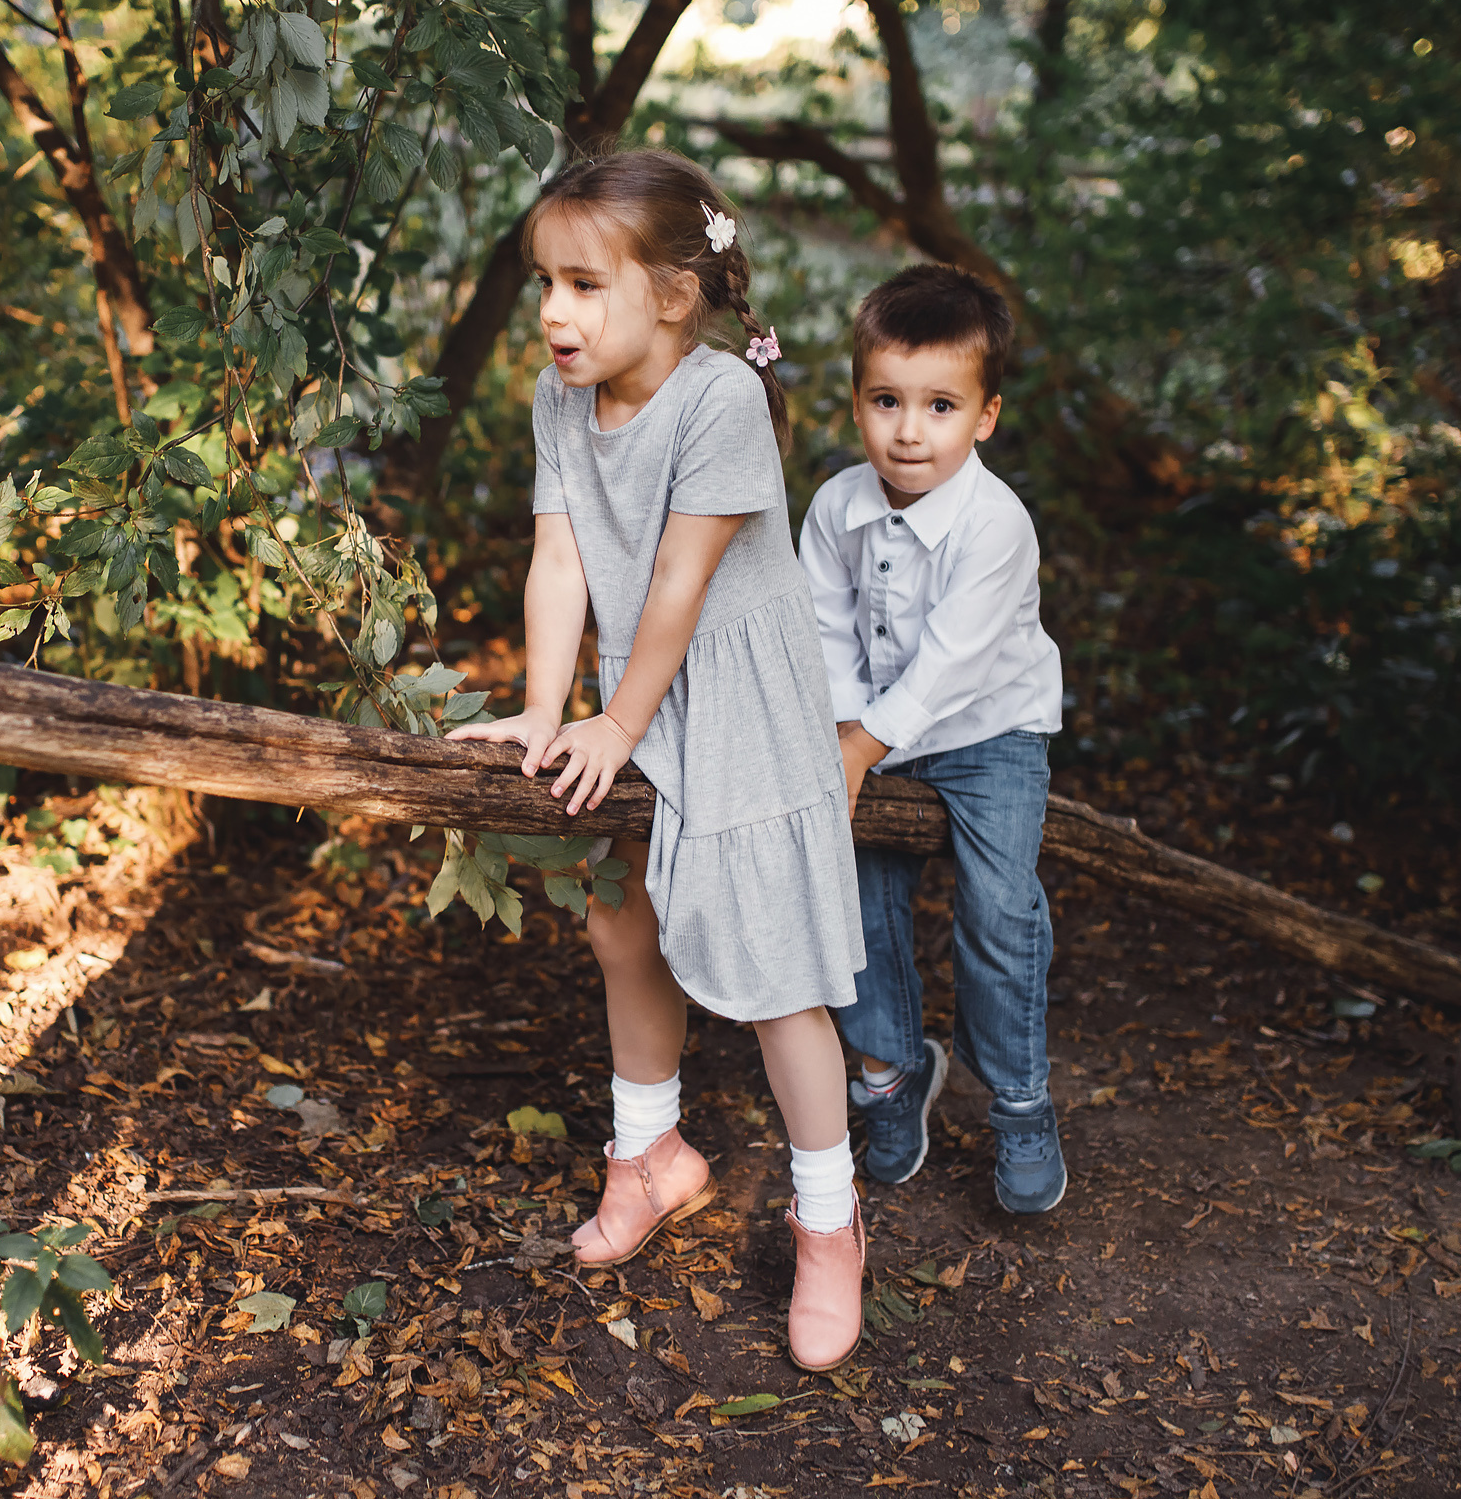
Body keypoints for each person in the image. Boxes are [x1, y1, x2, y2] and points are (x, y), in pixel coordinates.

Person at [448, 150, 871, 1370]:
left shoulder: (718, 400)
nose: (554, 312)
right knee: (617, 921)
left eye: (585, 285)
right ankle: (650, 1155)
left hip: (735, 702)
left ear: (675, 295)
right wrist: (546, 711)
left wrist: (616, 725)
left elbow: (681, 584)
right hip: (633, 695)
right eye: (546, 282)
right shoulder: (559, 399)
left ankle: (829, 1221)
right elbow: (561, 560)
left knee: (778, 978)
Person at [799, 264, 1067, 1214]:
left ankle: (1020, 1098)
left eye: (940, 406)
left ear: (986, 416)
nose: (909, 430)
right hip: (870, 731)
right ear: (857, 403)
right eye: (887, 401)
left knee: (998, 909)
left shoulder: (997, 526)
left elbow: (955, 665)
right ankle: (892, 1069)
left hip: (991, 731)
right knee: (857, 896)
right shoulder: (836, 508)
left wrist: (858, 749)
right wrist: (846, 732)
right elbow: (824, 629)